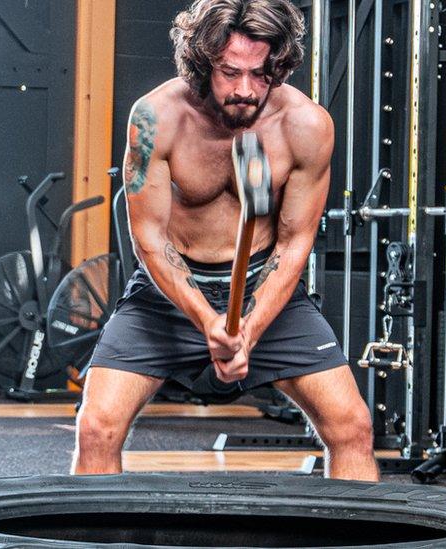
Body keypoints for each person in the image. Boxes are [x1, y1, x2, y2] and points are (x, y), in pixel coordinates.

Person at [72, 0, 379, 481]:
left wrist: (248, 330)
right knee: (96, 427)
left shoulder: (307, 126)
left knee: (352, 427)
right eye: (230, 72)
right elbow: (149, 239)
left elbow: (294, 243)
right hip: (168, 290)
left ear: (278, 65)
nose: (245, 90)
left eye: (260, 74)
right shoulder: (155, 118)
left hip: (267, 288)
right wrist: (209, 322)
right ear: (200, 63)